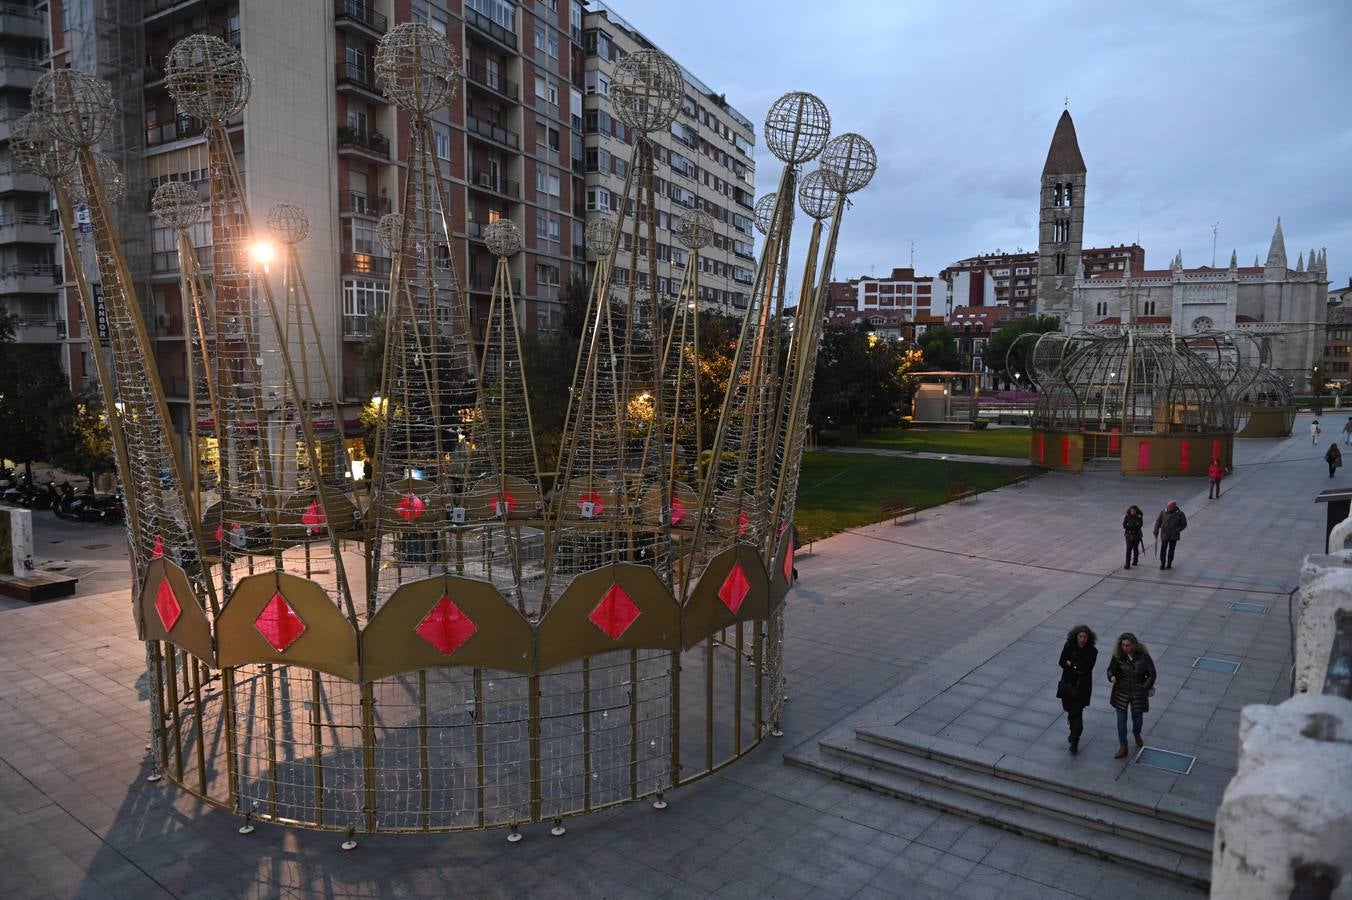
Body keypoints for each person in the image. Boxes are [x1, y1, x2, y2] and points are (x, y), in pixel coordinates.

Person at [1106, 632, 1156, 759]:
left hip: (1138, 692)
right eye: (1123, 645)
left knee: (1137, 718)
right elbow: (1110, 669)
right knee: (1121, 721)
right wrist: (1111, 676)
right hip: (1121, 691)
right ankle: (1123, 746)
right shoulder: (1118, 656)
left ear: (1134, 645)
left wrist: (1144, 688)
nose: (1125, 647)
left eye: (1128, 645)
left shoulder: (1144, 657)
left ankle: (1136, 733)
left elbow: (1152, 674)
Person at [1058, 625, 1098, 754]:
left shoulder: (1092, 651)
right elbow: (1062, 662)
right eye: (1080, 636)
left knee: (1077, 712)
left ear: (1088, 638)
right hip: (1068, 685)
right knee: (1070, 711)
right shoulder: (1069, 646)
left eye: (1085, 637)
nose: (1082, 639)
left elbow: (1085, 668)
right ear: (1076, 636)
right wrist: (1074, 666)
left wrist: (1072, 665)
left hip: (1082, 688)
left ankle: (1075, 739)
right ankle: (1073, 733)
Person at [1153, 500, 1187, 570]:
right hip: (1165, 534)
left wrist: (1177, 530)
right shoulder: (1163, 512)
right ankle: (1162, 563)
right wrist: (1156, 530)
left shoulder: (1180, 514)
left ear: (1174, 506)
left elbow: (1184, 524)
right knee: (1163, 549)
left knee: (1171, 550)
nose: (1168, 508)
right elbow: (1158, 521)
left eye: (1170, 506)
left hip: (1174, 535)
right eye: (1168, 506)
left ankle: (1169, 563)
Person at [1122, 505, 1144, 569]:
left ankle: (1135, 560)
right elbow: (1124, 525)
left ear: (1136, 511)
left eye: (1134, 511)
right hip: (1128, 535)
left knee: (1135, 548)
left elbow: (1140, 525)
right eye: (1131, 511)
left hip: (1136, 535)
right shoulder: (1127, 516)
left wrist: (1130, 526)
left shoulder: (1139, 517)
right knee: (1128, 549)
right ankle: (1127, 564)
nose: (1132, 512)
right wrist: (1133, 526)